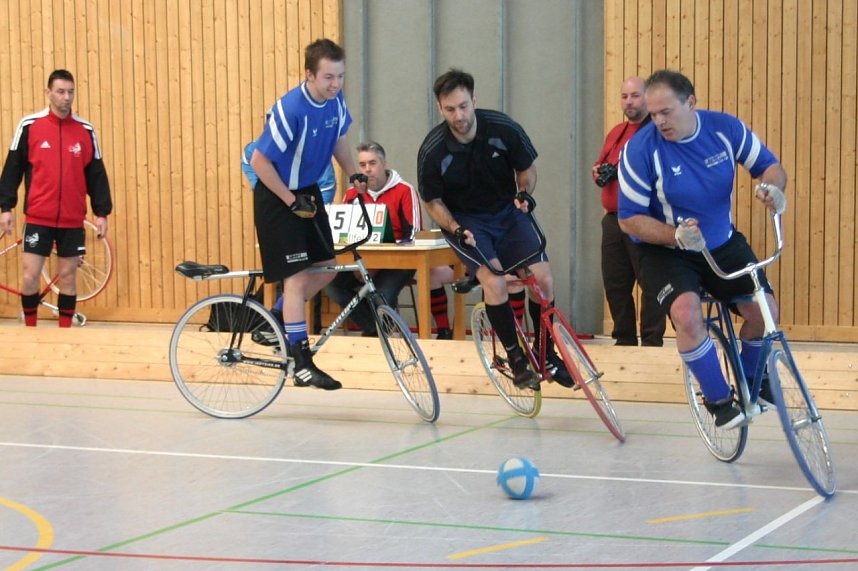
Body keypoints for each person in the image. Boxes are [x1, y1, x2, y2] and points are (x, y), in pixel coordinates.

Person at [618, 69, 788, 429]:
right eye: (653, 113)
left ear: (690, 103)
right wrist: (675, 235)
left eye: (666, 112)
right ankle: (718, 399)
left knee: (765, 310)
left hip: (719, 241)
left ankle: (752, 379)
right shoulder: (640, 149)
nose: (658, 121)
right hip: (665, 249)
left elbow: (770, 167)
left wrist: (773, 189)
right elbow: (629, 219)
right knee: (687, 313)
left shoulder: (724, 129)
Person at [416, 69, 573, 390]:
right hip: (467, 222)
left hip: (508, 210)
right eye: (450, 109)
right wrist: (456, 228)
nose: (458, 116)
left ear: (474, 100)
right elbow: (432, 201)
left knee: (543, 278)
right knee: (496, 280)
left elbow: (526, 168)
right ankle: (516, 358)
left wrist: (524, 194)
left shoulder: (503, 128)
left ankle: (546, 353)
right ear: (439, 108)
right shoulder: (433, 151)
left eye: (463, 106)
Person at [249, 38, 363, 391]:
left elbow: (339, 140)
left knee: (327, 268)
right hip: (276, 194)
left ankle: (272, 322)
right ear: (309, 74)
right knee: (297, 278)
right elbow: (258, 161)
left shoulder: (335, 101)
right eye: (328, 77)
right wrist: (288, 200)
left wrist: (353, 171)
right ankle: (301, 362)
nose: (335, 84)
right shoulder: (291, 108)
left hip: (307, 190)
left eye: (340, 76)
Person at [0, 69, 112, 328]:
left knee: (68, 278)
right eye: (60, 92)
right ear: (48, 93)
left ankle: (65, 335)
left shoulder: (85, 130)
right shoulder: (30, 126)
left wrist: (102, 212)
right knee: (30, 277)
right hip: (39, 218)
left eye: (70, 92)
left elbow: (96, 173)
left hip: (72, 221)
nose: (66, 98)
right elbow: (12, 168)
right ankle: (30, 331)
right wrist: (6, 207)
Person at [592, 76, 666, 347]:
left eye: (635, 95)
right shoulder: (617, 132)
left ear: (647, 97)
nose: (629, 101)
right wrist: (600, 172)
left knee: (651, 284)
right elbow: (600, 166)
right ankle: (623, 340)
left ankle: (651, 342)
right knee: (615, 284)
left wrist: (620, 173)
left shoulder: (657, 133)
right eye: (624, 96)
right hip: (613, 218)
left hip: (644, 218)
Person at [324, 141, 420, 336]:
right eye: (362, 165)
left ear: (384, 164)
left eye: (372, 163)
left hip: (399, 261)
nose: (367, 170)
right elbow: (343, 232)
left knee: (381, 293)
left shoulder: (404, 190)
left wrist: (384, 254)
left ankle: (379, 331)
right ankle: (377, 331)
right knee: (331, 284)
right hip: (361, 260)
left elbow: (414, 233)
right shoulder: (351, 194)